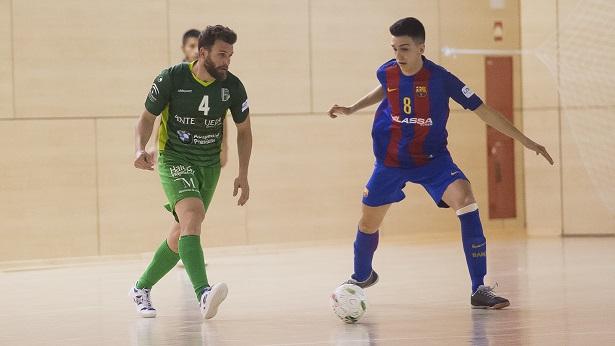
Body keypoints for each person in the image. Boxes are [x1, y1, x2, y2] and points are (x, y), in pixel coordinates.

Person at [328, 17, 553, 309]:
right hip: (391, 161)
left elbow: (483, 111)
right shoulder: (388, 71)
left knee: (466, 198)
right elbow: (385, 87)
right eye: (394, 49)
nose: (399, 56)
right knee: (368, 222)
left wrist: (526, 141)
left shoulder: (441, 79)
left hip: (432, 160)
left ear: (422, 47)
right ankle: (361, 276)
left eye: (405, 49)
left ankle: (479, 288)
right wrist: (352, 107)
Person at [130, 25, 252, 319]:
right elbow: (147, 117)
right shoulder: (171, 77)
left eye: (230, 55)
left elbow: (244, 131)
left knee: (181, 232)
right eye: (222, 54)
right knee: (193, 215)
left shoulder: (232, 87)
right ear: (203, 52)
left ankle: (140, 288)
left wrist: (243, 173)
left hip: (208, 166)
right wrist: (139, 148)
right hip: (174, 158)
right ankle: (204, 293)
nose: (227, 61)